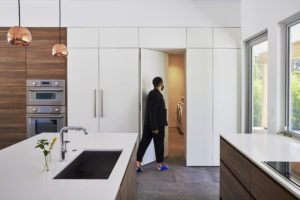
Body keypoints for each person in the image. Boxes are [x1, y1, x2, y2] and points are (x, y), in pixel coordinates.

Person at [136, 77, 168, 172]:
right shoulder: (157, 95)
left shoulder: (151, 93)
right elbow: (152, 111)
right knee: (159, 145)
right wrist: (155, 127)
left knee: (144, 143)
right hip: (156, 126)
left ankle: (137, 165)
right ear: (161, 84)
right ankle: (160, 165)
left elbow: (152, 111)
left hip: (148, 125)